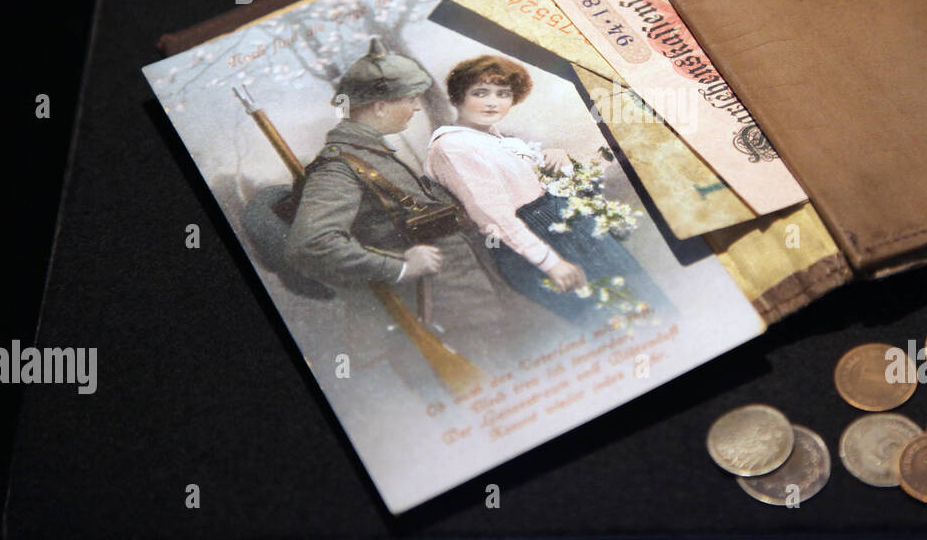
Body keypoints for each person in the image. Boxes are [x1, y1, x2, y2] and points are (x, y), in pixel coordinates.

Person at [283, 38, 556, 390]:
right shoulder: (339, 167)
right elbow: (310, 246)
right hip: (441, 315)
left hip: (472, 303)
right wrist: (398, 265)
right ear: (380, 106)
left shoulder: (373, 153)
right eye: (409, 98)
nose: (415, 107)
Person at [425, 54, 673, 329]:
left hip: (564, 227)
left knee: (646, 301)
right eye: (480, 93)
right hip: (533, 240)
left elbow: (532, 184)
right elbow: (493, 216)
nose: (493, 102)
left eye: (503, 94)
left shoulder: (496, 139)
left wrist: (558, 159)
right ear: (459, 96)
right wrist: (550, 263)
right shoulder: (452, 147)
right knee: (610, 321)